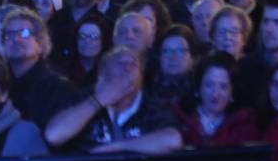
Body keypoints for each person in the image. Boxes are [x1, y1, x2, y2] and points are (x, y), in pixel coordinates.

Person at [45, 47, 182, 154]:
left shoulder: (152, 104)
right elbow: (54, 135)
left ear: (141, 78)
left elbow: (172, 140)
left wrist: (119, 147)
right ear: (102, 76)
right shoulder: (82, 99)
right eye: (121, 63)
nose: (128, 68)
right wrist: (99, 100)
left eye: (133, 64)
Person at [177, 52, 259, 147]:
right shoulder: (179, 119)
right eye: (209, 85)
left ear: (232, 92)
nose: (215, 93)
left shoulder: (244, 125)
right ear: (198, 88)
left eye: (223, 87)